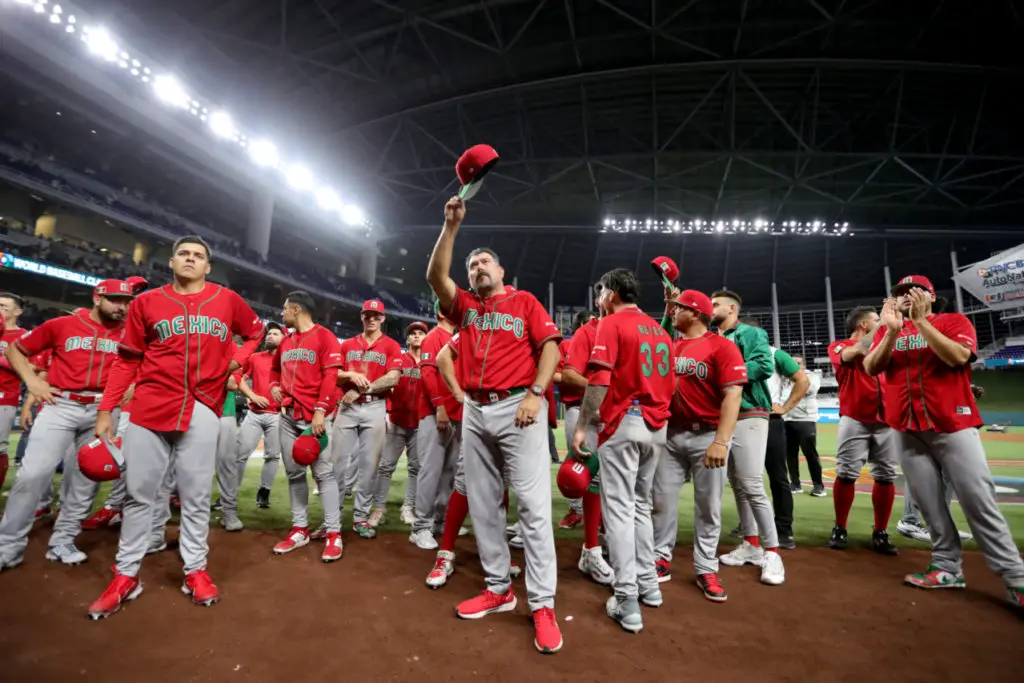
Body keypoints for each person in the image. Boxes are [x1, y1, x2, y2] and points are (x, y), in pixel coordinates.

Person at [87, 236, 264, 619]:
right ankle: (126, 575)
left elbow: (254, 332)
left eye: (198, 255)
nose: (191, 259)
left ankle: (195, 570)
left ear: (208, 266)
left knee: (196, 493)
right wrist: (107, 408)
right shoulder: (146, 303)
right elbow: (127, 359)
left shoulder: (227, 299)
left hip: (202, 404)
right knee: (138, 493)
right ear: (171, 261)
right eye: (184, 253)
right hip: (150, 404)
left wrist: (236, 359)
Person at [427, 195, 564, 654]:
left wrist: (537, 393)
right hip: (476, 410)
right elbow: (434, 276)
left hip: (518, 407)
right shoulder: (464, 308)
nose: (479, 267)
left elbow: (551, 349)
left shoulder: (524, 301)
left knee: (531, 506)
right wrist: (451, 227)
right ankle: (498, 587)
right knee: (484, 504)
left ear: (502, 272)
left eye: (486, 262)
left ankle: (542, 603)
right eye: (473, 265)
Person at [864, 275, 1023, 608]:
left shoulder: (953, 321)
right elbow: (871, 366)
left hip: (952, 423)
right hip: (906, 428)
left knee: (978, 500)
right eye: (899, 294)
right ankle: (947, 567)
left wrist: (921, 323)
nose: (905, 297)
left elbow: (957, 357)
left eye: (913, 291)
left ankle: (1016, 578)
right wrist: (892, 331)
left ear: (931, 296)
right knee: (929, 504)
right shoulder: (887, 330)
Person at [0, 280, 133, 571]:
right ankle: (8, 545)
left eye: (125, 301)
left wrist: (128, 389)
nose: (121, 306)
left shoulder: (129, 333)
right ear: (97, 298)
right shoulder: (63, 324)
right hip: (61, 406)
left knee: (84, 482)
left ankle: (63, 540)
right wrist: (33, 382)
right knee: (32, 475)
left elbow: (143, 365)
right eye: (114, 299)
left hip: (104, 410)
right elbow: (14, 350)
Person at [570, 268, 673, 633]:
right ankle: (649, 585)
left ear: (611, 293)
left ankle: (627, 597)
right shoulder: (659, 329)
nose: (598, 300)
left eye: (600, 292)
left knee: (618, 509)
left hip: (625, 422)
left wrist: (582, 424)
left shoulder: (611, 324)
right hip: (656, 425)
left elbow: (599, 377)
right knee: (640, 506)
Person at [652, 289, 746, 602]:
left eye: (677, 308)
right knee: (661, 501)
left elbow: (733, 395)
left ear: (693, 313)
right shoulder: (668, 345)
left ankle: (706, 566)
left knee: (708, 507)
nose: (672, 312)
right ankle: (659, 558)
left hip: (707, 435)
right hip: (670, 434)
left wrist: (721, 441)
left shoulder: (722, 346)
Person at [424, 333, 522, 589]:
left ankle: (499, 556)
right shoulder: (474, 325)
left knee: (503, 485)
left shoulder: (521, 324)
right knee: (464, 483)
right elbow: (443, 356)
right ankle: (444, 555)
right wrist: (457, 393)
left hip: (511, 410)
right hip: (478, 409)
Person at [711, 292, 786, 585]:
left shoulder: (751, 332)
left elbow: (764, 366)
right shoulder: (712, 338)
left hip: (750, 410)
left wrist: (725, 374)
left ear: (732, 308)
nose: (711, 308)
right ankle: (752, 545)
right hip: (724, 413)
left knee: (752, 484)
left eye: (715, 304)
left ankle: (772, 552)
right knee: (739, 485)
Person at [269, 291, 344, 560]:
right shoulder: (286, 342)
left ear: (297, 310)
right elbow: (274, 370)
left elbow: (331, 376)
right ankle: (299, 528)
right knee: (294, 474)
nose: (282, 313)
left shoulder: (325, 337)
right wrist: (274, 386)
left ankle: (334, 533)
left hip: (314, 417)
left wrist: (321, 411)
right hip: (288, 417)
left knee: (324, 474)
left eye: (285, 309)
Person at [826, 306, 899, 554]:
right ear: (863, 325)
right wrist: (887, 326)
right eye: (877, 320)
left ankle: (880, 531)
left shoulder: (886, 345)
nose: (883, 322)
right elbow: (852, 353)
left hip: (887, 419)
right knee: (846, 474)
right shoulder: (839, 345)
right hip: (855, 418)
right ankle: (840, 527)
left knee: (886, 476)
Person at [332, 300, 403, 539]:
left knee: (369, 467)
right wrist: (351, 374)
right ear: (361, 316)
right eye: (368, 315)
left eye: (377, 315)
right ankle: (332, 520)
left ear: (383, 318)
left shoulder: (392, 346)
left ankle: (360, 518)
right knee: (337, 465)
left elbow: (393, 378)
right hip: (347, 408)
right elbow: (334, 374)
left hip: (374, 408)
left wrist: (364, 389)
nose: (372, 319)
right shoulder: (348, 344)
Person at [559, 307, 614, 584]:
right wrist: (603, 391)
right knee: (583, 475)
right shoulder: (585, 333)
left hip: (620, 414)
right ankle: (591, 547)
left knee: (615, 482)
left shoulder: (627, 330)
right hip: (583, 411)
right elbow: (567, 375)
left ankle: (606, 539)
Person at [410, 308, 462, 550]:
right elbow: (428, 374)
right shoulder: (433, 337)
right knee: (430, 471)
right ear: (442, 313)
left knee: (450, 472)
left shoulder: (458, 338)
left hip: (458, 414)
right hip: (435, 414)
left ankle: (440, 521)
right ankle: (420, 526)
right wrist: (440, 406)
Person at [374, 321, 427, 526]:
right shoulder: (399, 360)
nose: (416, 335)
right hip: (396, 421)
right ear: (407, 338)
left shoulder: (429, 362)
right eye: (412, 333)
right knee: (386, 466)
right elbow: (385, 383)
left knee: (415, 468)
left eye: (420, 333)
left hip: (419, 423)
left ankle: (408, 508)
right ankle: (379, 508)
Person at [231, 322, 286, 511]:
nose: (270, 336)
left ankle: (264, 492)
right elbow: (238, 379)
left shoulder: (288, 361)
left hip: (277, 415)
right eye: (269, 333)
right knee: (239, 455)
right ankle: (229, 495)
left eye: (275, 333)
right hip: (254, 413)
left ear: (284, 338)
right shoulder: (254, 358)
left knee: (272, 456)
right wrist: (253, 396)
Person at [762, 343, 809, 545]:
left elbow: (802, 380)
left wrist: (784, 407)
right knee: (744, 479)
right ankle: (748, 526)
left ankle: (783, 528)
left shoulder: (775, 354)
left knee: (778, 476)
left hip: (769, 419)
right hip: (740, 419)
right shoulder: (732, 349)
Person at [555, 310, 596, 531]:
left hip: (602, 408)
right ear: (581, 324)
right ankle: (576, 510)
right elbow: (557, 374)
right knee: (577, 460)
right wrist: (590, 384)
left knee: (605, 464)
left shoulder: (605, 342)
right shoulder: (568, 345)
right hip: (577, 407)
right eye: (589, 322)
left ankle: (600, 516)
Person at [781, 354, 825, 496]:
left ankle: (818, 486)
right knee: (791, 454)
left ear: (804, 365)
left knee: (810, 454)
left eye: (798, 363)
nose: (795, 365)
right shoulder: (784, 377)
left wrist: (795, 379)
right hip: (787, 419)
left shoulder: (811, 376)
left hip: (805, 419)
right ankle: (795, 484)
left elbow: (807, 389)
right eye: (792, 363)